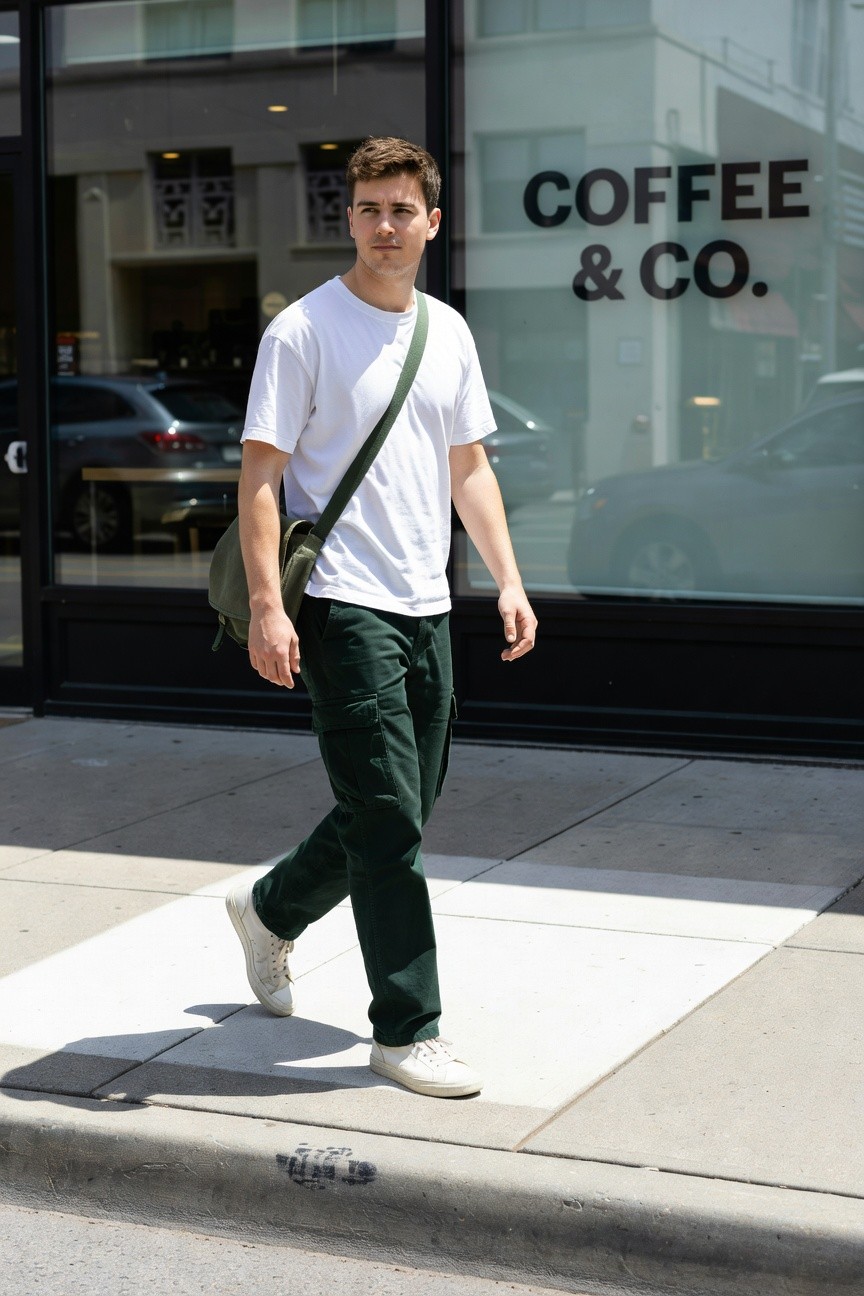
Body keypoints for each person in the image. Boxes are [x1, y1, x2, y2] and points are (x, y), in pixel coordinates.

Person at [226, 137, 537, 1099]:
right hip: (340, 606)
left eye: (403, 209)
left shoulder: (447, 331)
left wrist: (510, 581)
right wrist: (270, 611)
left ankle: (271, 907)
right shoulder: (304, 332)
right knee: (391, 816)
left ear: (431, 221)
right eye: (368, 209)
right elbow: (261, 480)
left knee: (399, 801)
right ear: (348, 218)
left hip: (428, 603)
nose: (385, 226)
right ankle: (407, 1027)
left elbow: (469, 467)